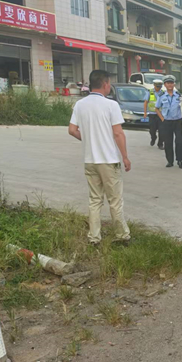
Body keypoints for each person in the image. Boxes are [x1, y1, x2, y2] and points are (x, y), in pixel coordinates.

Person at [68, 70, 131, 244]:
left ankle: (94, 237)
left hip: (90, 160)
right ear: (104, 84)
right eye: (109, 83)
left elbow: (72, 130)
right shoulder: (111, 105)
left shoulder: (80, 105)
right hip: (109, 160)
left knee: (95, 200)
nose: (109, 86)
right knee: (115, 200)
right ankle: (122, 235)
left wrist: (88, 138)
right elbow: (118, 134)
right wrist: (125, 157)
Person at [155, 75, 182, 169]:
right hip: (167, 121)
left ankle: (180, 160)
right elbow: (157, 109)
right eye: (168, 83)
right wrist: (162, 119)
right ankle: (170, 161)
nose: (170, 85)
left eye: (171, 83)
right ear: (165, 85)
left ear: (174, 84)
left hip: (177, 121)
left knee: (179, 141)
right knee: (168, 142)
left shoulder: (178, 94)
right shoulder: (161, 96)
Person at [143, 78, 164, 149]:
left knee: (162, 130)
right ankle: (153, 138)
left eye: (160, 86)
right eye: (157, 86)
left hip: (161, 114)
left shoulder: (163, 93)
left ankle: (160, 144)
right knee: (152, 130)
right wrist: (145, 113)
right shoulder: (150, 92)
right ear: (154, 85)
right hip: (152, 114)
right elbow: (145, 102)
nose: (158, 88)